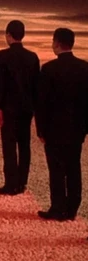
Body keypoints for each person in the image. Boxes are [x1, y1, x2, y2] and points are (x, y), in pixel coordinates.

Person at [35, 28, 88, 221]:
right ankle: (72, 208)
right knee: (74, 167)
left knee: (56, 169)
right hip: (77, 127)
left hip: (54, 127)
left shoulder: (49, 69)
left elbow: (41, 103)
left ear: (57, 43)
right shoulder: (84, 68)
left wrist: (41, 129)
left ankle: (57, 208)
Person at [0, 20, 40, 195]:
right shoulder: (32, 57)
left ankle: (10, 183)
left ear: (8, 35)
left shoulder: (2, 55)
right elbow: (36, 86)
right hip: (26, 108)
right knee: (24, 145)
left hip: (8, 108)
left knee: (9, 146)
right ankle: (22, 182)